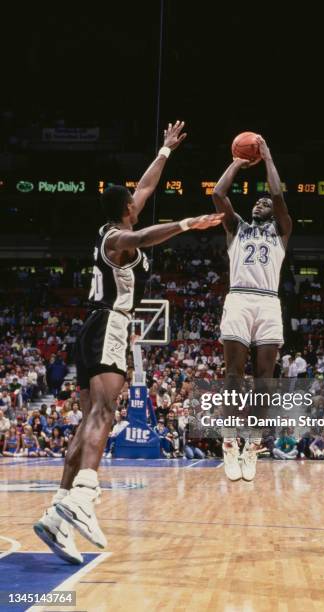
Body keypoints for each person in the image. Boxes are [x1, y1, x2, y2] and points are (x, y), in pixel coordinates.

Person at [34, 119, 223, 565]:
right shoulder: (118, 237)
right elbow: (140, 235)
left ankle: (58, 514)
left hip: (89, 329)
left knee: (87, 422)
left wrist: (164, 151)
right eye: (133, 202)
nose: (139, 202)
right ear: (125, 209)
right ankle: (83, 496)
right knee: (104, 412)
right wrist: (187, 223)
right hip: (109, 326)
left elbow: (144, 188)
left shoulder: (111, 226)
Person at [212, 135, 292, 481]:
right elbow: (218, 194)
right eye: (257, 201)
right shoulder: (237, 228)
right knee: (233, 375)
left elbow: (277, 194)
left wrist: (269, 158)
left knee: (264, 379)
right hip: (240, 298)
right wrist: (238, 162)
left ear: (274, 212)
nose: (261, 202)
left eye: (265, 202)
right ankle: (230, 442)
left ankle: (252, 444)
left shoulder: (282, 231)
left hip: (268, 300)